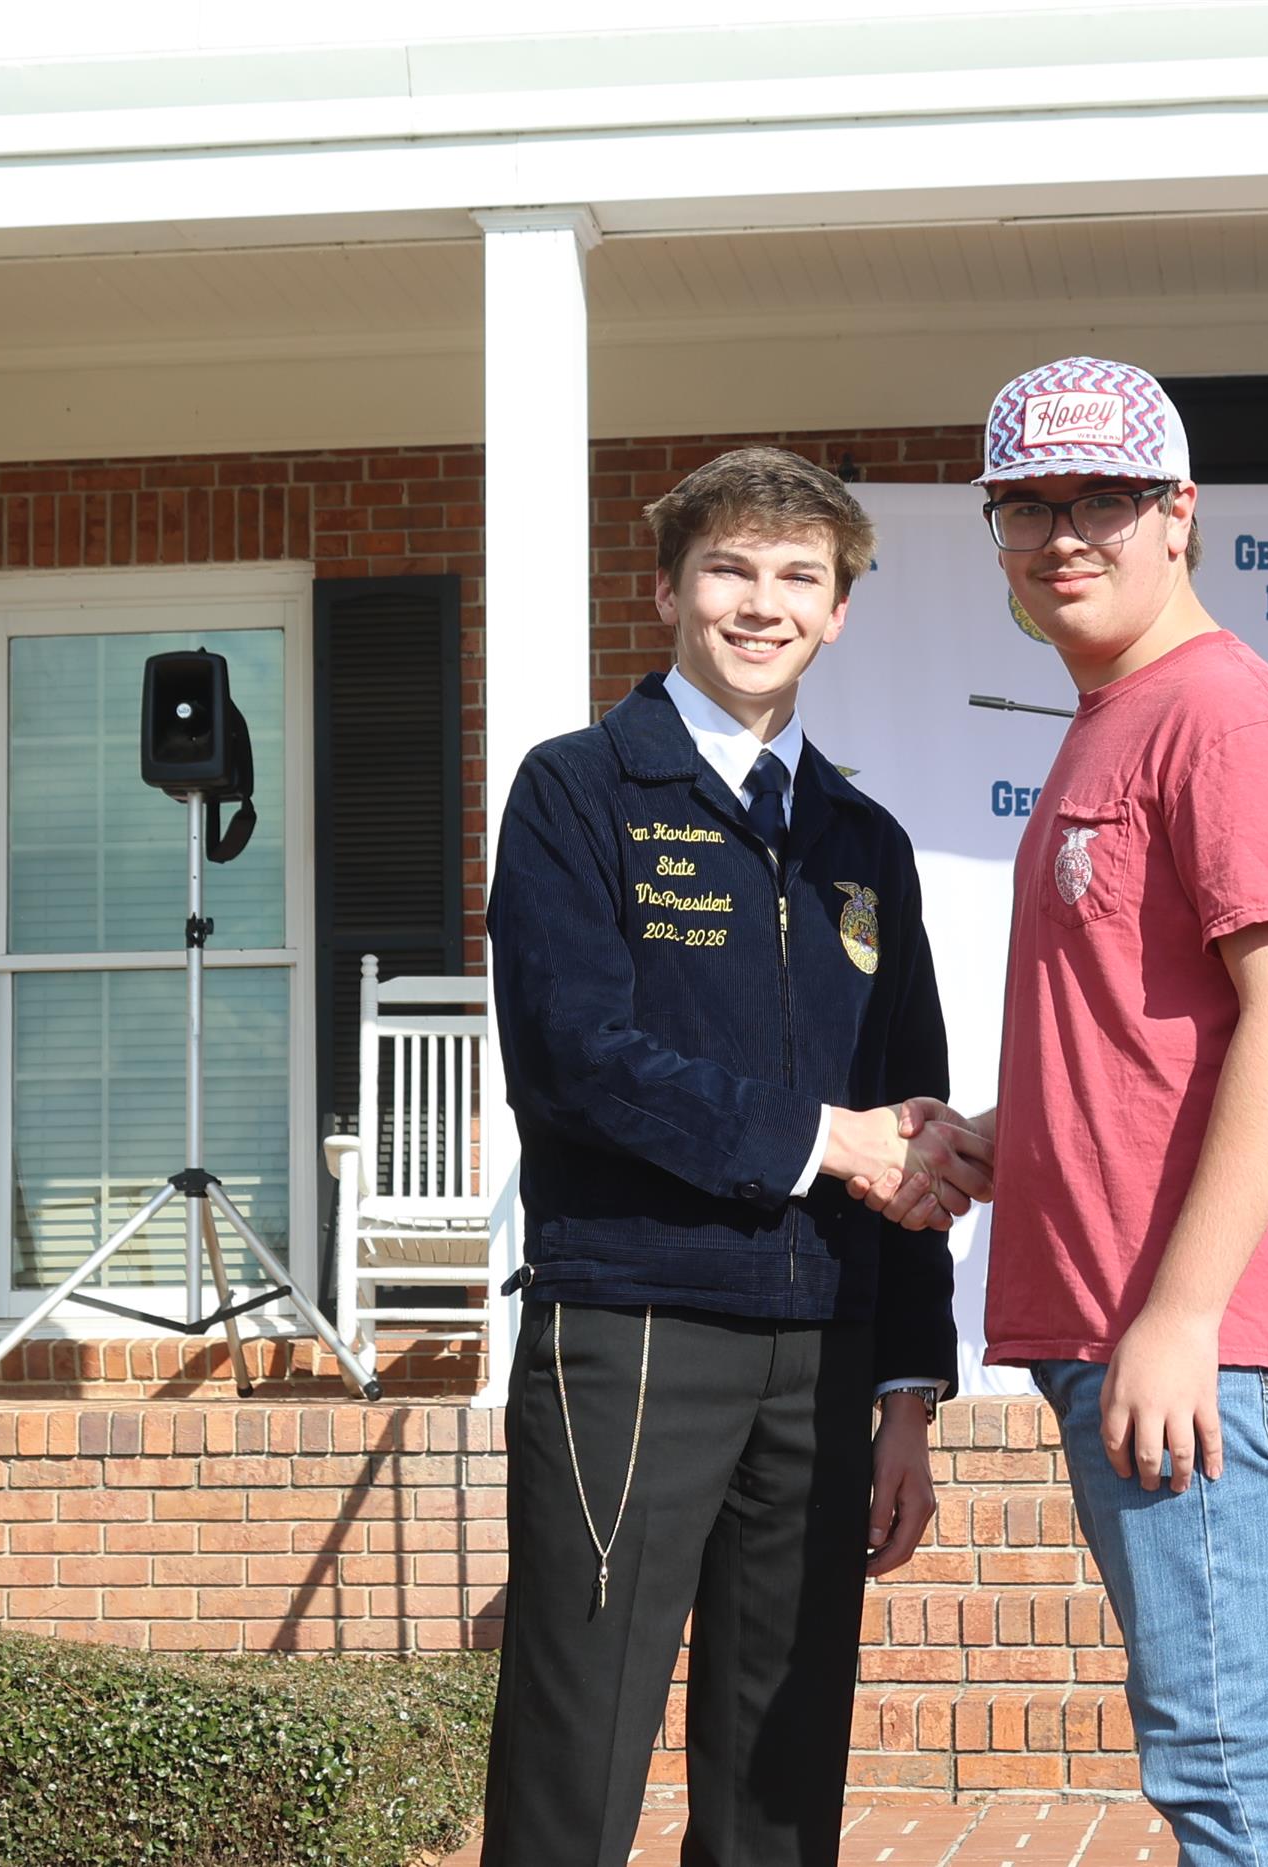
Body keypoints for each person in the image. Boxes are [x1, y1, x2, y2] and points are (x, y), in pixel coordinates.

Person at [876, 356, 1268, 1867]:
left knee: (1228, 1762)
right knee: (1238, 1751)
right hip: (1127, 1313)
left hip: (1192, 1331)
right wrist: (996, 1141)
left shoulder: (1225, 717)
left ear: (1179, 512)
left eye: (1102, 497)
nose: (1062, 534)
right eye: (1025, 504)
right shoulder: (1116, 715)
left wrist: (1185, 1312)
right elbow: (1144, 1043)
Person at [482, 446, 992, 1865]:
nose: (762, 603)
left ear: (838, 611)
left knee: (784, 1764)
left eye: (798, 577)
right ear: (666, 590)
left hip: (826, 1353)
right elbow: (576, 1059)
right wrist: (821, 1139)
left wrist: (907, 1390)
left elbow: (908, 1122)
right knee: (577, 1753)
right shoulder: (578, 792)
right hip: (632, 1331)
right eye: (730, 568)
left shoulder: (865, 844)